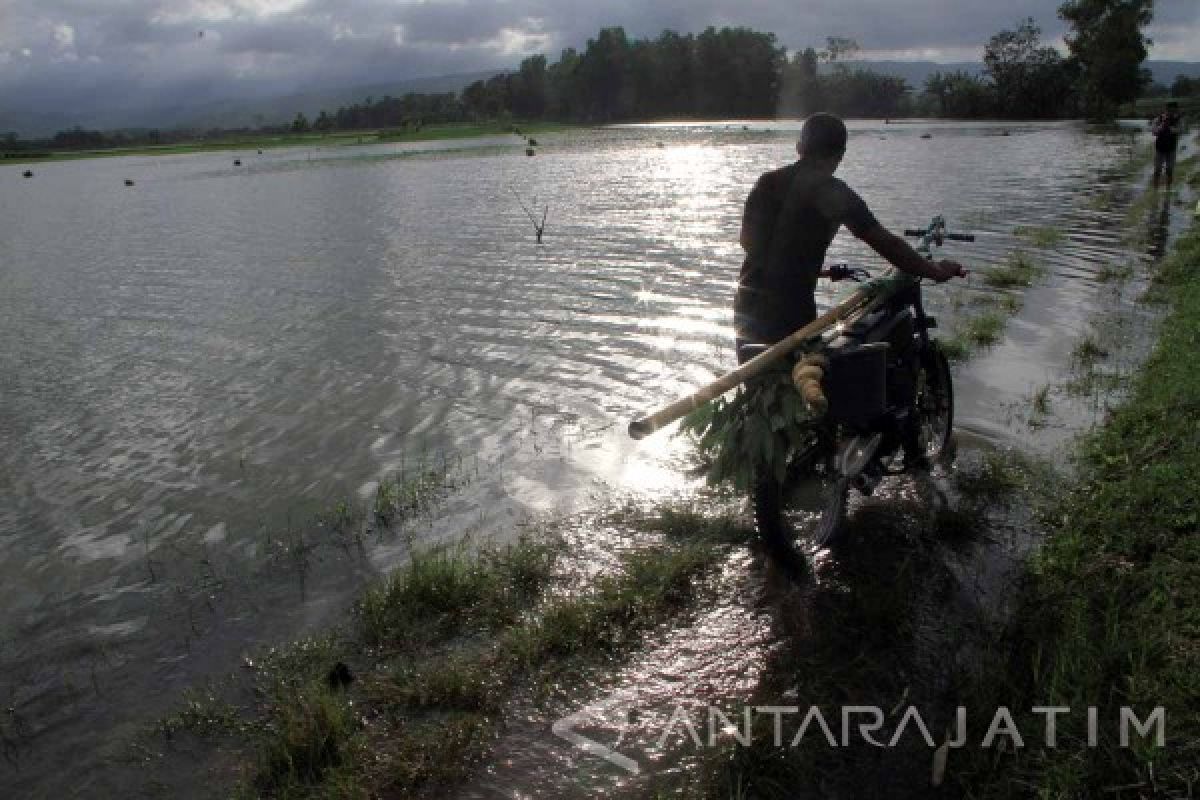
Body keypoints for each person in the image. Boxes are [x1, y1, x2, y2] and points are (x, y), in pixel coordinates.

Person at [735, 113, 965, 358]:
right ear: (841, 154)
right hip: (791, 315)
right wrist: (936, 271)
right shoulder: (834, 194)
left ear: (799, 147)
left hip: (746, 309)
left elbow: (749, 244)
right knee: (806, 384)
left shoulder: (766, 183)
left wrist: (809, 267)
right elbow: (889, 246)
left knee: (759, 388)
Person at [1151, 101, 1183, 188]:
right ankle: (1155, 189)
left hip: (1171, 148)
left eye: (1173, 111)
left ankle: (1168, 188)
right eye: (1169, 110)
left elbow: (1180, 131)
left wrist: (1170, 128)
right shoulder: (1158, 119)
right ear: (1166, 110)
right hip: (1159, 148)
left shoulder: (1178, 120)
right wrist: (1162, 126)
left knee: (1169, 170)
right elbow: (1154, 132)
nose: (1171, 112)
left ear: (1176, 110)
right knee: (1157, 170)